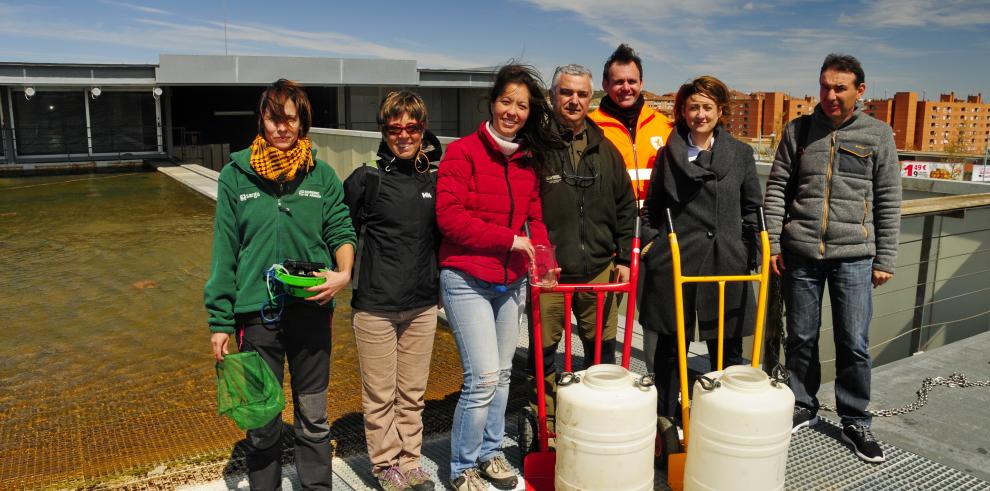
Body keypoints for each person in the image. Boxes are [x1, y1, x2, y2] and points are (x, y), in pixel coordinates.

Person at [205, 79, 356, 489]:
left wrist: (343, 274)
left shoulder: (321, 175)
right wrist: (219, 321)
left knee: (313, 418)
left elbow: (342, 230)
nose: (281, 128)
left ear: (302, 123)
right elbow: (225, 252)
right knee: (263, 423)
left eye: (290, 119)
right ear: (262, 120)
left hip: (311, 309)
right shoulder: (235, 177)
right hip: (256, 317)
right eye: (274, 118)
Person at [763, 53, 901, 464]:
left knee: (853, 342)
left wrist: (885, 258)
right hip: (800, 252)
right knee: (801, 336)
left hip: (854, 257)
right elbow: (776, 191)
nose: (830, 95)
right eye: (825, 86)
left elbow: (889, 200)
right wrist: (773, 244)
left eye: (840, 87)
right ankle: (802, 403)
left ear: (860, 90)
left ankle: (855, 418)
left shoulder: (877, 135)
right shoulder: (799, 130)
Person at [436, 64, 555, 491]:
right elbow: (449, 218)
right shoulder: (462, 153)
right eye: (507, 101)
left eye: (522, 105)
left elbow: (536, 218)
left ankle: (490, 454)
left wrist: (544, 258)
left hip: (512, 282)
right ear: (491, 103)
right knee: (483, 376)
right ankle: (461, 466)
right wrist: (510, 240)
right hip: (466, 277)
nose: (513, 111)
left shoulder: (527, 160)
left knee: (504, 375)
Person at [642, 75, 762, 421]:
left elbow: (752, 208)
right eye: (693, 106)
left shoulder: (740, 154)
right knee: (669, 348)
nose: (700, 114)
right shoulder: (668, 154)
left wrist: (748, 253)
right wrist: (655, 246)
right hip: (676, 262)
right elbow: (651, 209)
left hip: (725, 261)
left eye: (707, 107)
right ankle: (666, 420)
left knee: (726, 350)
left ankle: (722, 419)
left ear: (720, 111)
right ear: (682, 111)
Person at [343, 90, 441, 491]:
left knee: (413, 393)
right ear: (382, 131)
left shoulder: (434, 179)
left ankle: (411, 460)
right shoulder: (365, 179)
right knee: (380, 394)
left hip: (421, 305)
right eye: (394, 128)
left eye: (412, 127)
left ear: (423, 130)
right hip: (376, 306)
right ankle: (386, 466)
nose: (403, 135)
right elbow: (339, 233)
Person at [530, 64, 637, 431]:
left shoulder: (605, 150)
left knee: (600, 348)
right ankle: (547, 420)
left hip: (599, 271)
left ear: (591, 99)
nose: (573, 100)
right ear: (552, 96)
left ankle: (595, 418)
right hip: (549, 274)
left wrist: (623, 257)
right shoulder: (535, 149)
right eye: (566, 92)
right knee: (544, 351)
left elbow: (626, 206)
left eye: (581, 94)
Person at [588, 43, 673, 371]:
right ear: (606, 85)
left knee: (655, 316)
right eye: (618, 81)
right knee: (604, 320)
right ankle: (604, 382)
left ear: (641, 83)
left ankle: (654, 384)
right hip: (611, 235)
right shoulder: (592, 126)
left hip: (654, 234)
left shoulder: (663, 126)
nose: (626, 88)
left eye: (632, 81)